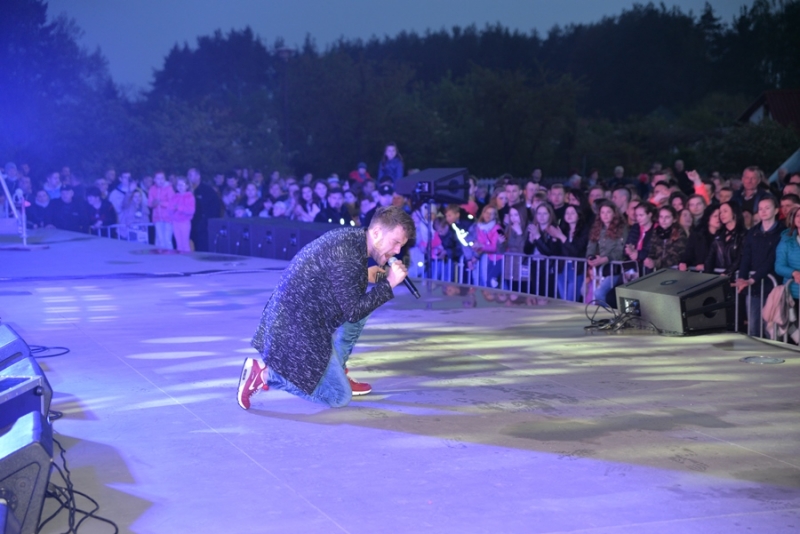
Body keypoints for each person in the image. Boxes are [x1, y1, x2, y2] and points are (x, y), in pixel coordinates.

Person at [237, 206, 414, 409]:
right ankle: (264, 375)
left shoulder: (352, 240)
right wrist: (389, 283)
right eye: (395, 242)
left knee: (363, 309)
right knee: (339, 396)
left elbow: (333, 277)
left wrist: (365, 275)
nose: (398, 251)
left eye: (401, 245)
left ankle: (338, 371)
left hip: (302, 317)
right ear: (376, 233)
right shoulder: (346, 253)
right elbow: (353, 312)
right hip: (296, 329)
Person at [736, 196, 782, 337]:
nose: (763, 211)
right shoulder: (753, 232)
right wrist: (742, 278)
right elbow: (746, 256)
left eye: (767, 208)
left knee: (770, 328)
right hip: (753, 287)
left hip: (772, 284)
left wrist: (752, 279)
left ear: (776, 210)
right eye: (760, 208)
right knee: (754, 326)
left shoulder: (782, 232)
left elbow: (772, 260)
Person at [586, 200, 628, 306]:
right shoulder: (597, 228)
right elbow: (591, 246)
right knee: (588, 294)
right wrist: (590, 258)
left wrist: (605, 259)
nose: (605, 215)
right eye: (602, 212)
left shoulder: (622, 228)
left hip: (616, 269)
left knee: (599, 294)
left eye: (608, 212)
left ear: (614, 213)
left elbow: (620, 250)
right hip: (600, 268)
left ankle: (611, 314)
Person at [551, 204, 589, 301]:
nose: (569, 215)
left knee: (571, 300)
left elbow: (576, 251)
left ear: (579, 215)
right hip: (561, 267)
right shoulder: (562, 230)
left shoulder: (584, 231)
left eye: (572, 213)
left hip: (576, 268)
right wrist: (554, 239)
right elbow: (555, 252)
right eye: (567, 213)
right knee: (563, 300)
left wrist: (561, 237)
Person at [704, 201, 746, 277]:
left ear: (734, 212)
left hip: (736, 277)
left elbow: (740, 258)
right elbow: (710, 257)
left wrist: (726, 273)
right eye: (720, 212)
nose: (721, 215)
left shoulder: (743, 234)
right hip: (718, 277)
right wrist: (707, 276)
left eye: (725, 211)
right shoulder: (718, 235)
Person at [645, 206, 687, 271]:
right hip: (657, 270)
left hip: (674, 270)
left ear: (674, 219)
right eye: (661, 217)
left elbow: (676, 257)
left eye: (667, 217)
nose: (663, 220)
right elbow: (651, 251)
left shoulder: (679, 233)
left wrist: (656, 263)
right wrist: (649, 261)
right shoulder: (656, 232)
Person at [148, 171, 175, 249]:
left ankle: (170, 255)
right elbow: (149, 203)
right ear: (154, 179)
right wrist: (154, 203)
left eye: (162, 178)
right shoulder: (152, 189)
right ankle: (161, 256)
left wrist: (160, 203)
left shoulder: (169, 188)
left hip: (168, 218)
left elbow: (172, 203)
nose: (160, 180)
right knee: (160, 240)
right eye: (158, 178)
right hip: (157, 219)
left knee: (167, 240)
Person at [171, 176, 196, 252]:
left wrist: (179, 208)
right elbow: (170, 209)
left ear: (187, 186)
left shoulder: (189, 196)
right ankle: (180, 258)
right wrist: (172, 216)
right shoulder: (174, 196)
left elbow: (191, 210)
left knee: (185, 243)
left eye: (182, 185)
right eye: (178, 185)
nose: (180, 187)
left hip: (185, 222)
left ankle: (186, 258)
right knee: (178, 244)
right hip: (175, 222)